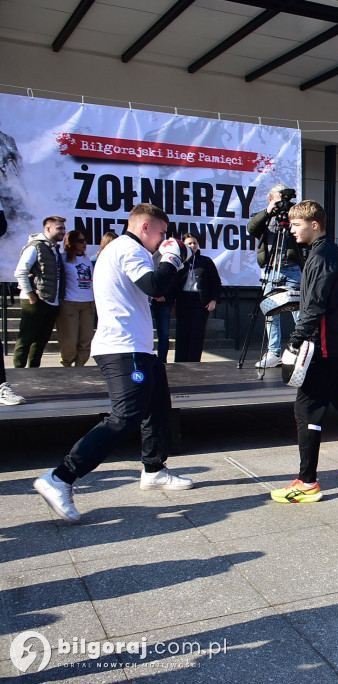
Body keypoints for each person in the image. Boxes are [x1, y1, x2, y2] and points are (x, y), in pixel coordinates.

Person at [33, 203, 196, 524]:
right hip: (123, 348)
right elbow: (154, 285)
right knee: (125, 417)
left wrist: (175, 261)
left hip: (138, 348)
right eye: (162, 233)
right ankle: (60, 477)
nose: (163, 239)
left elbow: (158, 286)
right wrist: (173, 257)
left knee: (159, 408)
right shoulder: (128, 248)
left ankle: (153, 469)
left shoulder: (127, 250)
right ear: (146, 227)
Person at [269, 200, 338, 503]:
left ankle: (307, 483)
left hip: (325, 345)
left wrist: (295, 340)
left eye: (296, 224)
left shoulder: (321, 255)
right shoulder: (325, 253)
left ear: (314, 224)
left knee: (307, 409)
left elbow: (316, 303)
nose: (291, 230)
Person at [247, 184, 303, 369]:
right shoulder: (265, 216)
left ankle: (301, 351)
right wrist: (268, 212)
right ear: (271, 199)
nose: (283, 203)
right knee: (271, 313)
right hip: (270, 269)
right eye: (279, 198)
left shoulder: (293, 215)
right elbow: (252, 228)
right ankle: (273, 353)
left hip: (292, 269)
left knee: (299, 312)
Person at [12, 215, 66, 367]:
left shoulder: (54, 249)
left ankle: (34, 371)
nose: (63, 231)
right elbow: (20, 272)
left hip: (51, 300)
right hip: (36, 300)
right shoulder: (34, 247)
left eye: (64, 228)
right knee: (26, 338)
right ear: (47, 228)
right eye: (59, 228)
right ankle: (18, 372)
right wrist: (31, 295)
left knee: (41, 341)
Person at [173, 233, 222, 363]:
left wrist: (213, 300)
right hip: (183, 300)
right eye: (189, 243)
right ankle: (180, 362)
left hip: (200, 301)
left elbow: (216, 282)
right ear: (184, 245)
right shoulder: (179, 261)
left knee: (197, 333)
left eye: (195, 243)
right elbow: (172, 282)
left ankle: (194, 362)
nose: (193, 245)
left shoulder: (205, 261)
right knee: (182, 333)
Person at [56, 229, 95, 367]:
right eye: (80, 241)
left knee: (86, 339)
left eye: (85, 240)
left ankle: (80, 367)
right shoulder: (63, 257)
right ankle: (66, 365)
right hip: (70, 302)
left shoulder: (87, 258)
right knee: (69, 340)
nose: (84, 243)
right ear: (71, 242)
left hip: (88, 303)